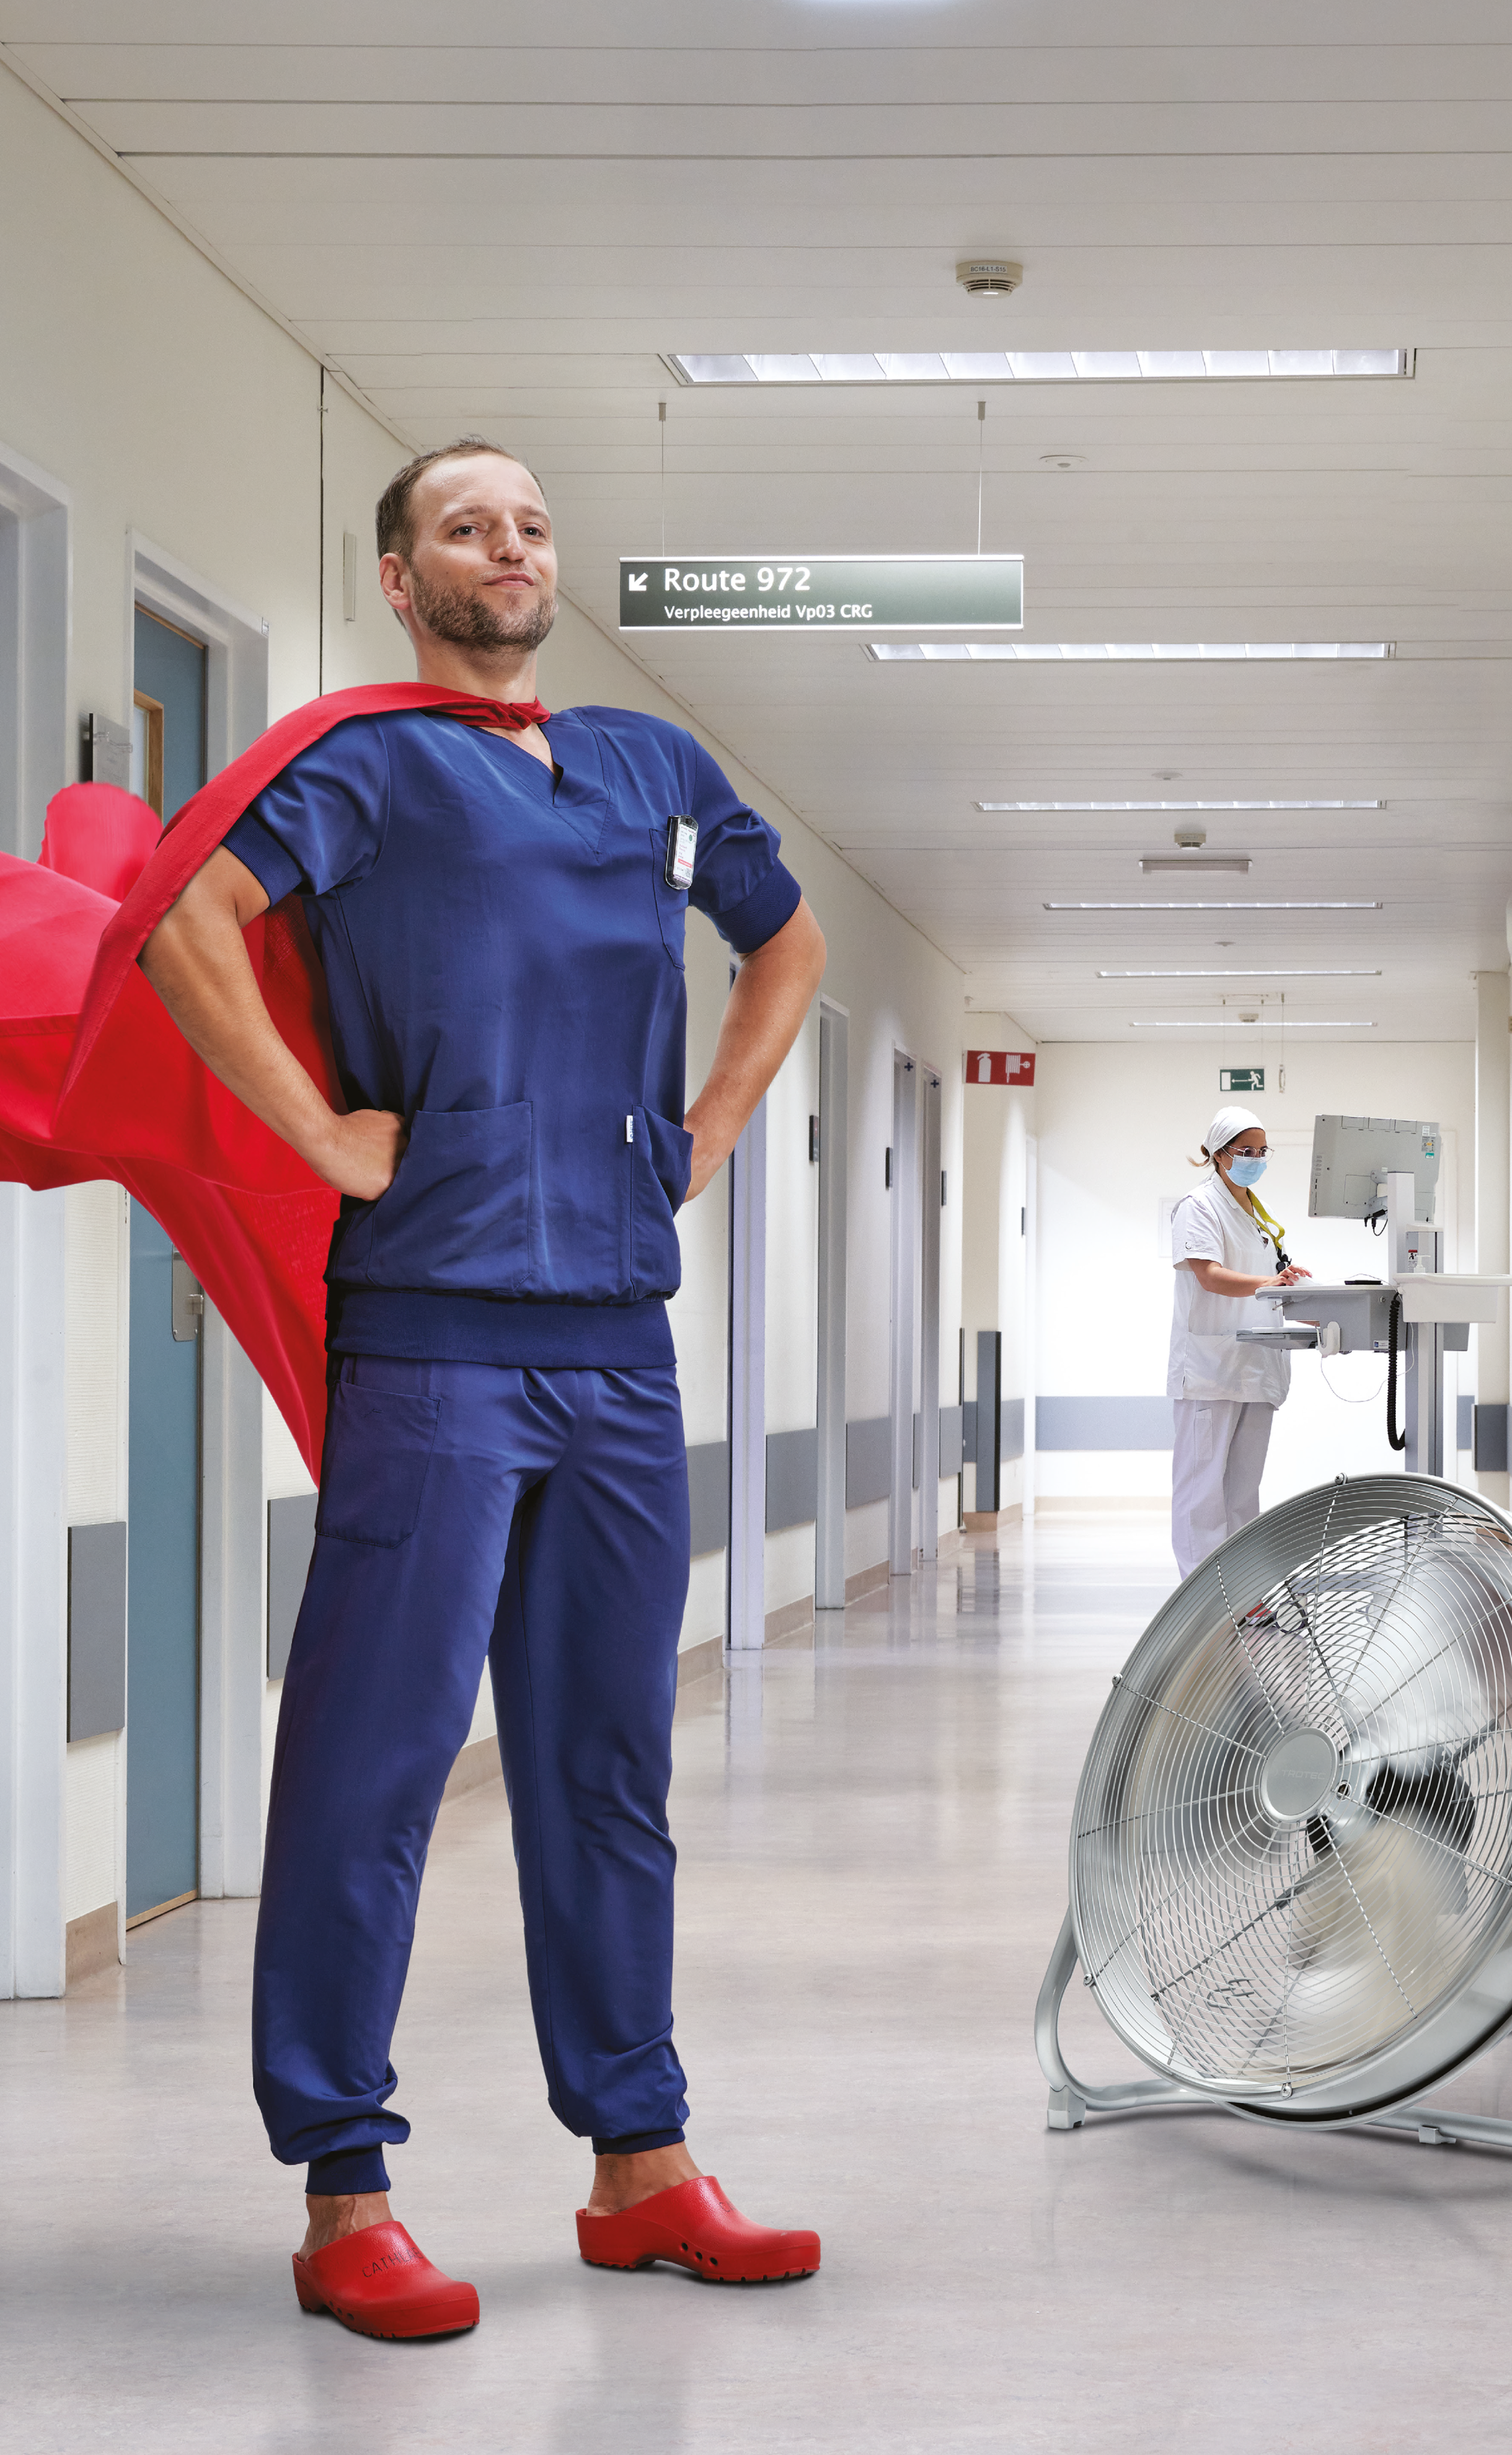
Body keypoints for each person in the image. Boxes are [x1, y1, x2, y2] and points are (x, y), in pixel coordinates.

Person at [137, 436, 828, 2339]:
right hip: (435, 1331)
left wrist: (708, 1124)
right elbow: (188, 929)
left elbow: (786, 942)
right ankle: (343, 2188)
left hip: (615, 1331)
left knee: (608, 1769)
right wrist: (326, 1137)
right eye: (466, 527)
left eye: (528, 525)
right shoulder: (361, 764)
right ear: (400, 574)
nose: (506, 550)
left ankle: (642, 2166)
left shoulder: (652, 770)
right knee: (374, 1764)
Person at [1166, 1105, 1311, 1579]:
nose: (1254, 1158)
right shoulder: (1198, 1207)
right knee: (1201, 1493)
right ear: (1217, 1154)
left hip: (1254, 1365)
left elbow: (1260, 1284)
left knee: (1242, 1492)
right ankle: (1200, 1599)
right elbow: (1208, 1276)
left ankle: (1245, 1593)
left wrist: (1296, 1291)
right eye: (1244, 1151)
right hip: (1210, 1370)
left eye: (1260, 1151)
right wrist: (1268, 1284)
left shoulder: (1254, 1212)